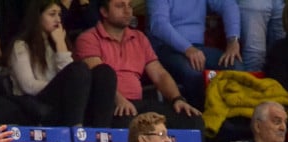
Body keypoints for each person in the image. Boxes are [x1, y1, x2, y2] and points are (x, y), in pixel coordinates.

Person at [73, 0, 204, 129]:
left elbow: (159, 74)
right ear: (104, 12)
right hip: (107, 107)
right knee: (128, 122)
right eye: (120, 6)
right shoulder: (88, 38)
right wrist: (120, 101)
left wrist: (177, 99)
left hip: (138, 105)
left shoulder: (139, 38)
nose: (127, 10)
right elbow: (101, 79)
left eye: (129, 5)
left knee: (193, 120)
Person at [7, 0, 115, 126]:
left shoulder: (58, 42)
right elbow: (28, 85)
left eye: (59, 15)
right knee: (78, 70)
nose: (58, 20)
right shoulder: (21, 46)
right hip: (35, 105)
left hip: (63, 103)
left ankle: (101, 132)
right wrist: (61, 85)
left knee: (104, 72)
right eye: (52, 14)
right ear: (37, 17)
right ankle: (74, 129)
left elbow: (72, 78)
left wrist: (60, 44)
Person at [147, 0, 243, 110]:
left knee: (235, 64)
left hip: (198, 48)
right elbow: (159, 25)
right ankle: (199, 119)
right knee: (194, 71)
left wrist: (233, 40)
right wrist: (187, 48)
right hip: (167, 48)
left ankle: (233, 121)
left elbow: (228, 4)